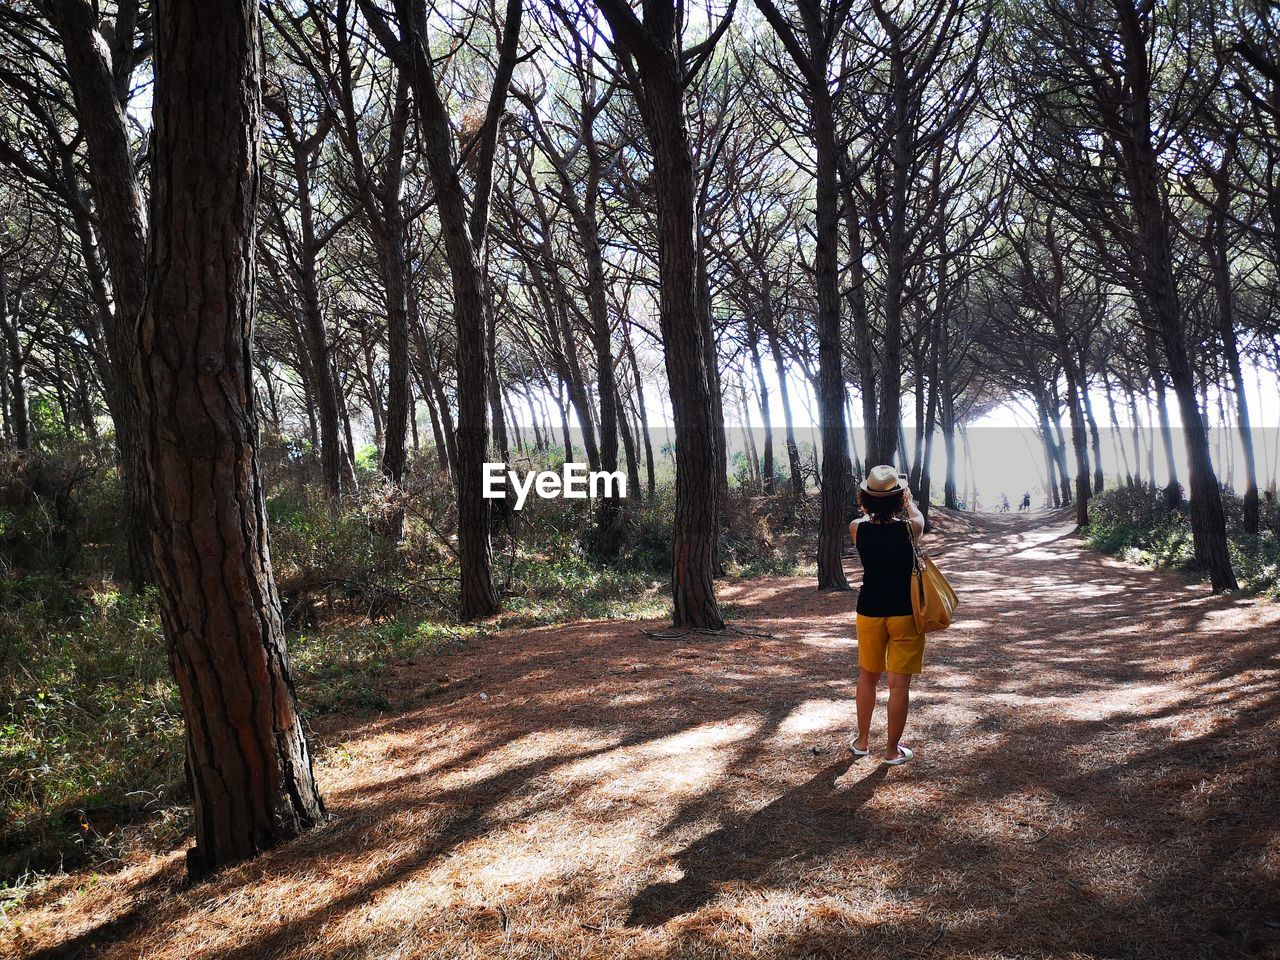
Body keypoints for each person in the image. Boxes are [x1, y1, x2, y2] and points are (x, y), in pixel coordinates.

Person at [848, 465, 927, 766]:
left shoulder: (858, 528)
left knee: (868, 677)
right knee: (899, 685)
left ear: (865, 499)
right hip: (905, 612)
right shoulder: (910, 528)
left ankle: (863, 741)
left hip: (869, 610)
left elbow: (869, 517)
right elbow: (916, 516)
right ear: (900, 499)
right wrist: (908, 500)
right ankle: (892, 751)